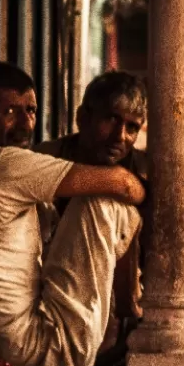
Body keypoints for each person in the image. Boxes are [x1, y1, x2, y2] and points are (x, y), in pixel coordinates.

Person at [0, 61, 145, 366]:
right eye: (9, 113)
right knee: (102, 202)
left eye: (30, 111)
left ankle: (125, 317)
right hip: (45, 356)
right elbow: (121, 183)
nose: (24, 125)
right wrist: (150, 195)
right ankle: (129, 320)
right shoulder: (5, 165)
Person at [41, 72, 148, 345]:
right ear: (82, 118)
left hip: (119, 311)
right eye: (110, 119)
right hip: (50, 305)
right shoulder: (45, 161)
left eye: (132, 127)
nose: (119, 136)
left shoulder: (144, 173)